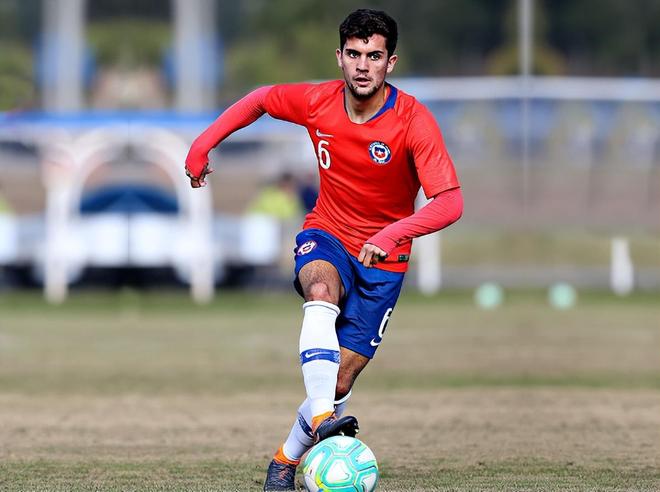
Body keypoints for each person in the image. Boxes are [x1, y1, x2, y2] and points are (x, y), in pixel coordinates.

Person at [185, 9, 463, 491]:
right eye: (354, 54)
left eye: (373, 56)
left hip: (384, 260)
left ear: (390, 62)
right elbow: (261, 99)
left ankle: (284, 461)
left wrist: (392, 234)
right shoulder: (318, 101)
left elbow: (450, 202)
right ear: (339, 57)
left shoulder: (413, 120)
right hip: (327, 233)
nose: (362, 65)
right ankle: (321, 421)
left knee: (338, 383)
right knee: (320, 289)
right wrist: (202, 144)